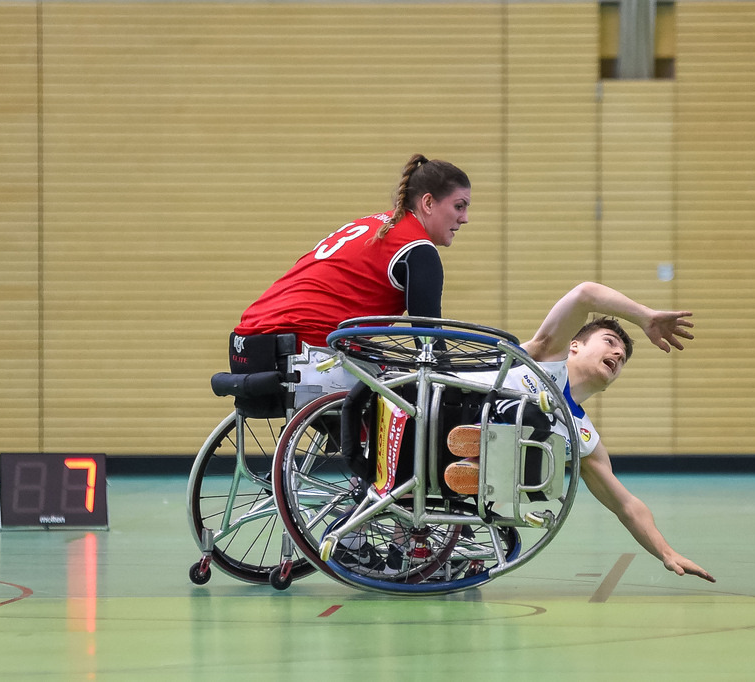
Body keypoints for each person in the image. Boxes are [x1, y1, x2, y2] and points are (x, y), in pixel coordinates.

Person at [448, 281, 715, 583]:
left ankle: (469, 468)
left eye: (623, 358)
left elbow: (626, 505)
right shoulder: (548, 357)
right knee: (535, 415)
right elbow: (585, 293)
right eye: (609, 342)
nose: (618, 353)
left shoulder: (582, 437)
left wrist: (667, 552)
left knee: (543, 440)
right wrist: (644, 316)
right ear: (574, 345)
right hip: (441, 404)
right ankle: (469, 453)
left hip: (465, 463)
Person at [230, 153, 471, 403]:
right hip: (300, 352)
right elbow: (429, 340)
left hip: (248, 348)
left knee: (387, 372)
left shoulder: (373, 224)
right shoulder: (418, 248)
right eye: (459, 206)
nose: (465, 218)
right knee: (431, 402)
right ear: (428, 203)